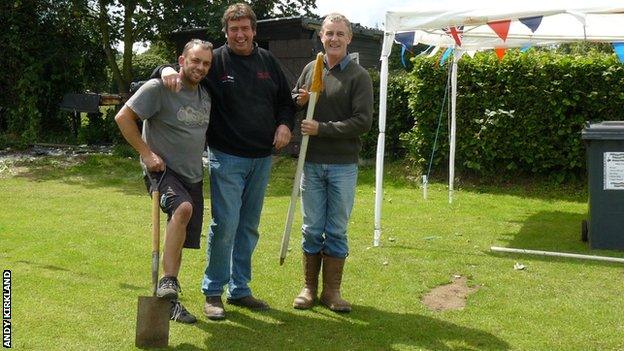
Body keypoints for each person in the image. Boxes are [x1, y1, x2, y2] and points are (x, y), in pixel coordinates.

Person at [155, 3, 295, 320]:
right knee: (226, 225)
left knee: (248, 227)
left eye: (245, 28)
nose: (240, 34)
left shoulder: (268, 62)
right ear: (226, 31)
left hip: (261, 159)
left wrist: (285, 124)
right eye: (234, 29)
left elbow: (286, 103)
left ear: (254, 31)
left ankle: (241, 290)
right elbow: (184, 70)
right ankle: (213, 292)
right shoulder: (215, 61)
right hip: (227, 157)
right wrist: (162, 70)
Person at [115, 39, 213, 324]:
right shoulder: (160, 87)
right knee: (182, 209)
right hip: (162, 170)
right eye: (195, 61)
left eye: (206, 63)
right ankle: (168, 280)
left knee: (179, 235)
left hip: (193, 174)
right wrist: (146, 154)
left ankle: (170, 299)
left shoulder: (205, 95)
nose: (200, 67)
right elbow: (124, 117)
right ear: (182, 61)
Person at [291, 13, 373, 312]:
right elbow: (294, 102)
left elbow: (362, 122)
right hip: (310, 163)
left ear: (349, 38)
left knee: (336, 229)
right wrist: (297, 100)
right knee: (312, 227)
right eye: (329, 33)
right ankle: (309, 288)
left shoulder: (359, 76)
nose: (334, 39)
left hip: (342, 165)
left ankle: (332, 292)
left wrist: (322, 128)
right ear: (321, 37)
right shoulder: (311, 68)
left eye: (340, 34)